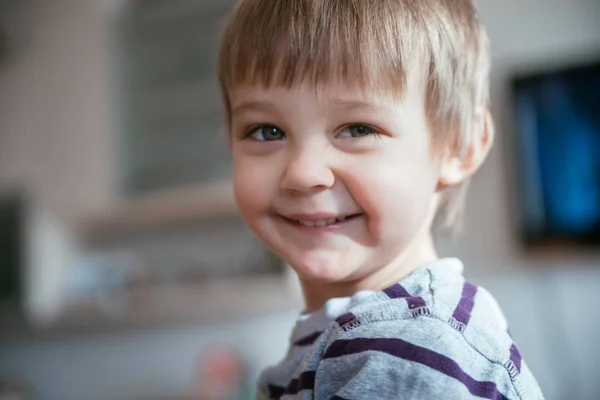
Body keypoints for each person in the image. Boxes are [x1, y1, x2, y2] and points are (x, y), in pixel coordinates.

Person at [217, 0, 544, 398]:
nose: (303, 173)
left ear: (460, 146)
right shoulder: (366, 339)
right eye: (266, 131)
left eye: (357, 128)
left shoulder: (408, 349)